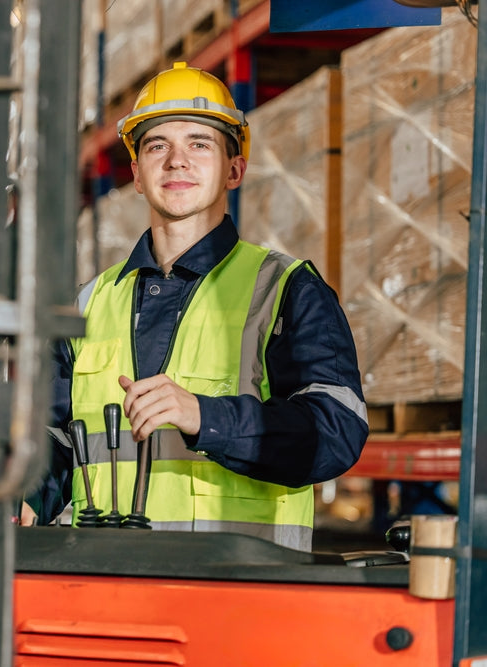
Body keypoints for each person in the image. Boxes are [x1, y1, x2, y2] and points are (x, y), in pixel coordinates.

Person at [23, 62, 369, 552]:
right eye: (156, 145)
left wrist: (204, 417)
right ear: (138, 175)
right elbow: (58, 442)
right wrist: (28, 492)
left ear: (235, 169)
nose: (176, 160)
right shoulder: (87, 303)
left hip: (237, 590)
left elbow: (336, 433)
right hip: (104, 582)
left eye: (199, 144)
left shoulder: (287, 289)